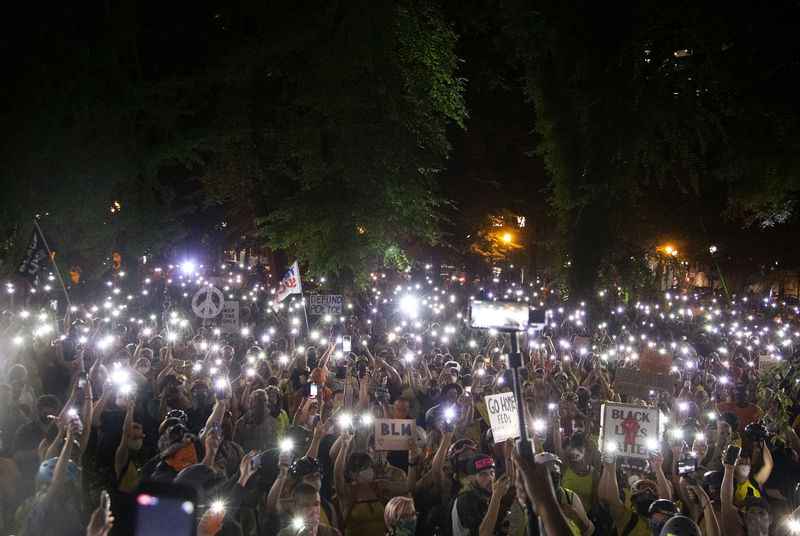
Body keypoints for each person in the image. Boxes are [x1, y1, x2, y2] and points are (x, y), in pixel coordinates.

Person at [451, 453, 511, 536]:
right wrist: (496, 497)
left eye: (492, 473)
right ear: (471, 478)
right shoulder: (465, 499)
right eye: (483, 474)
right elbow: (483, 534)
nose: (490, 478)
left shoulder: (484, 495)